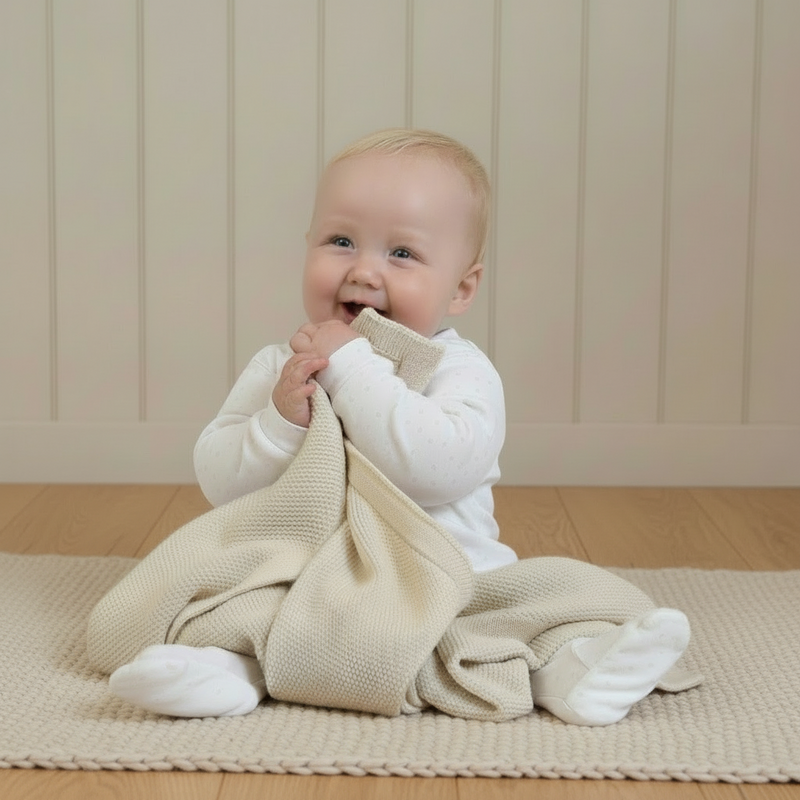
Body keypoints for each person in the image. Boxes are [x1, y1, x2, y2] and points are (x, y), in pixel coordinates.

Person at [107, 128, 691, 725]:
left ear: (461, 288)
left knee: (541, 606)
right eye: (340, 241)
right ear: (305, 247)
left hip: (446, 583)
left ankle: (578, 672)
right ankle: (222, 672)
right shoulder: (280, 366)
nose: (363, 271)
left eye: (402, 254)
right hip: (308, 583)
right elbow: (222, 484)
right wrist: (280, 422)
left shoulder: (459, 371)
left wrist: (352, 367)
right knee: (227, 601)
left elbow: (437, 469)